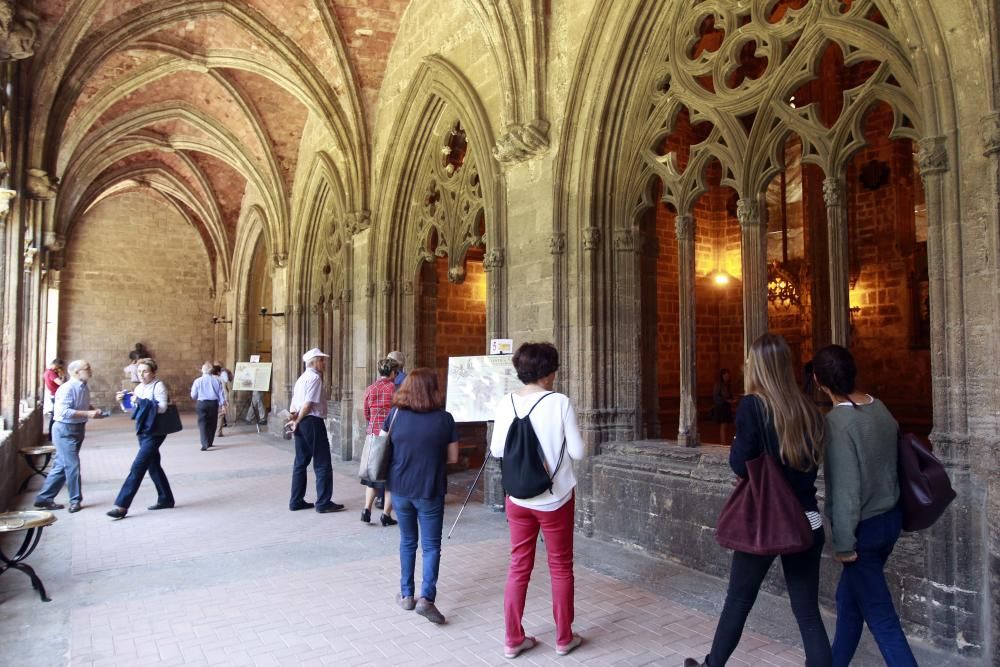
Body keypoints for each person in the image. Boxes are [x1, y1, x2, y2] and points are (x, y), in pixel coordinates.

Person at [685, 333, 830, 667]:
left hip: (766, 518)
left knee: (738, 600)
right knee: (808, 613)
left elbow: (739, 462)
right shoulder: (808, 408)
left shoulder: (753, 405)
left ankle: (712, 666)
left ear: (758, 367)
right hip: (806, 518)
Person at [812, 344, 918, 667]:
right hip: (891, 520)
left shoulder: (837, 424)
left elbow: (845, 490)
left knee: (883, 620)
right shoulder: (881, 408)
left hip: (863, 533)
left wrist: (844, 544)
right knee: (849, 602)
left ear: (818, 381)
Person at [489, 342, 587, 659]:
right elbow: (578, 452)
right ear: (549, 372)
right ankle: (563, 637)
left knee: (518, 567)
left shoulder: (506, 403)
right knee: (560, 567)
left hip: (517, 498)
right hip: (555, 498)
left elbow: (497, 451)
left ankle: (513, 639)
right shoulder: (560, 403)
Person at [386, 368, 458, 625]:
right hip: (430, 488)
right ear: (432, 390)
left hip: (400, 489)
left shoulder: (395, 415)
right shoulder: (444, 419)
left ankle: (407, 595)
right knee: (431, 546)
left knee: (407, 541)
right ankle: (427, 598)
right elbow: (453, 458)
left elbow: (385, 448)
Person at [34, 360, 105, 513]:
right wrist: (88, 413)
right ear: (75, 372)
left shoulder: (84, 386)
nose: (90, 370)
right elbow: (63, 412)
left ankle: (44, 498)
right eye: (86, 368)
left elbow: (82, 405)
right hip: (64, 430)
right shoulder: (66, 388)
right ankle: (75, 500)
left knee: (61, 465)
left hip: (78, 428)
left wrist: (94, 410)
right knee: (73, 465)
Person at [108, 358, 175, 519]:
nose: (141, 374)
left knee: (138, 466)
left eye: (145, 371)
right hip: (142, 430)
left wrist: (140, 401)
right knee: (153, 466)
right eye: (139, 371)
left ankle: (122, 506)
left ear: (153, 372)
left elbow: (162, 407)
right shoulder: (138, 388)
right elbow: (133, 410)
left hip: (155, 431)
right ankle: (166, 499)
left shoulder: (159, 386)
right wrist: (124, 403)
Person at [285, 348, 344, 513]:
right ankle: (323, 502)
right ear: (313, 362)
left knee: (300, 462)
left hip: (301, 422)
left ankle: (296, 500)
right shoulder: (314, 378)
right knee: (322, 461)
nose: (324, 363)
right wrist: (299, 419)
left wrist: (294, 419)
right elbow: (308, 404)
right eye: (321, 360)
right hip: (311, 421)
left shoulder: (301, 379)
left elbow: (294, 404)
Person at [361, 357, 399, 526]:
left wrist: (373, 426)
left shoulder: (371, 388)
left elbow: (366, 413)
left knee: (373, 475)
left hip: (373, 435)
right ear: (393, 372)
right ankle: (385, 514)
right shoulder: (396, 389)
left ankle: (366, 509)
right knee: (390, 477)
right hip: (391, 436)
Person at [190, 362, 226, 451]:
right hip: (213, 404)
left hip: (201, 403)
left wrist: (198, 396)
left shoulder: (197, 381)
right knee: (212, 423)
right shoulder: (217, 380)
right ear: (212, 371)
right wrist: (223, 405)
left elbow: (193, 395)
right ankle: (209, 441)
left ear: (202, 370)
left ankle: (204, 443)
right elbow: (221, 394)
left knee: (202, 423)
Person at [42, 358, 67, 440]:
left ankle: (53, 435)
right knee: (55, 416)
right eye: (59, 366)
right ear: (56, 364)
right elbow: (61, 384)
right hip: (56, 395)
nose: (59, 368)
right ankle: (51, 435)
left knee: (55, 415)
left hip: (54, 395)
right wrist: (63, 377)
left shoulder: (47, 372)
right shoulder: (51, 373)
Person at [711, 368, 735, 445]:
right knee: (723, 425)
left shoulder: (727, 384)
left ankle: (724, 440)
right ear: (722, 376)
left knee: (726, 425)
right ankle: (723, 442)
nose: (727, 377)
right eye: (725, 375)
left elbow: (729, 395)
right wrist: (726, 400)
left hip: (726, 406)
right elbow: (716, 396)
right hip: (721, 406)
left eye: (728, 375)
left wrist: (732, 399)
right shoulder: (718, 384)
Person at [214, 361, 232, 428]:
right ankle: (222, 422)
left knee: (222, 408)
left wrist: (226, 399)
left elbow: (226, 381)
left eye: (216, 366)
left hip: (222, 392)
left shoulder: (223, 373)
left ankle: (223, 423)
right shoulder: (216, 375)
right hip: (219, 393)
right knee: (220, 409)